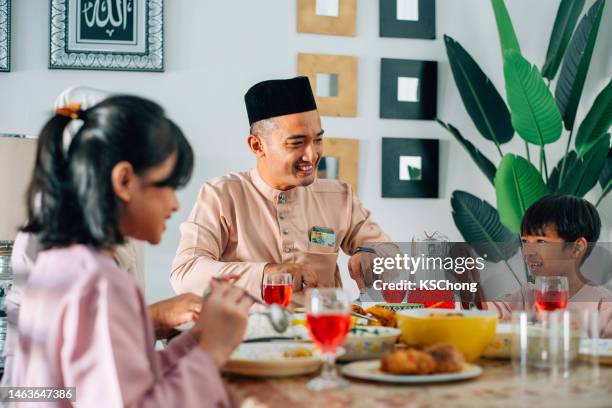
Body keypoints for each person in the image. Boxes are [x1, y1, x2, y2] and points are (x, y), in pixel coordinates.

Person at [8, 95, 251, 406]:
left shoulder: (58, 262)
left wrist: (196, 340)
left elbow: (123, 382)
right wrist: (213, 349)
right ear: (124, 180)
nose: (175, 204)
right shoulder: (101, 283)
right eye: (169, 186)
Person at [170, 76, 390, 304]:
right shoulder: (221, 195)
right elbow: (185, 273)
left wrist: (373, 256)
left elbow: (388, 252)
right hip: (246, 334)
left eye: (317, 140)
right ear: (257, 146)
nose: (312, 155)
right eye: (296, 143)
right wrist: (267, 274)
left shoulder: (339, 196)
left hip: (322, 333)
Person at [484, 195, 612, 337]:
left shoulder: (603, 304)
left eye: (541, 241)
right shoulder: (527, 296)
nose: (528, 252)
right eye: (525, 241)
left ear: (576, 248)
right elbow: (484, 313)